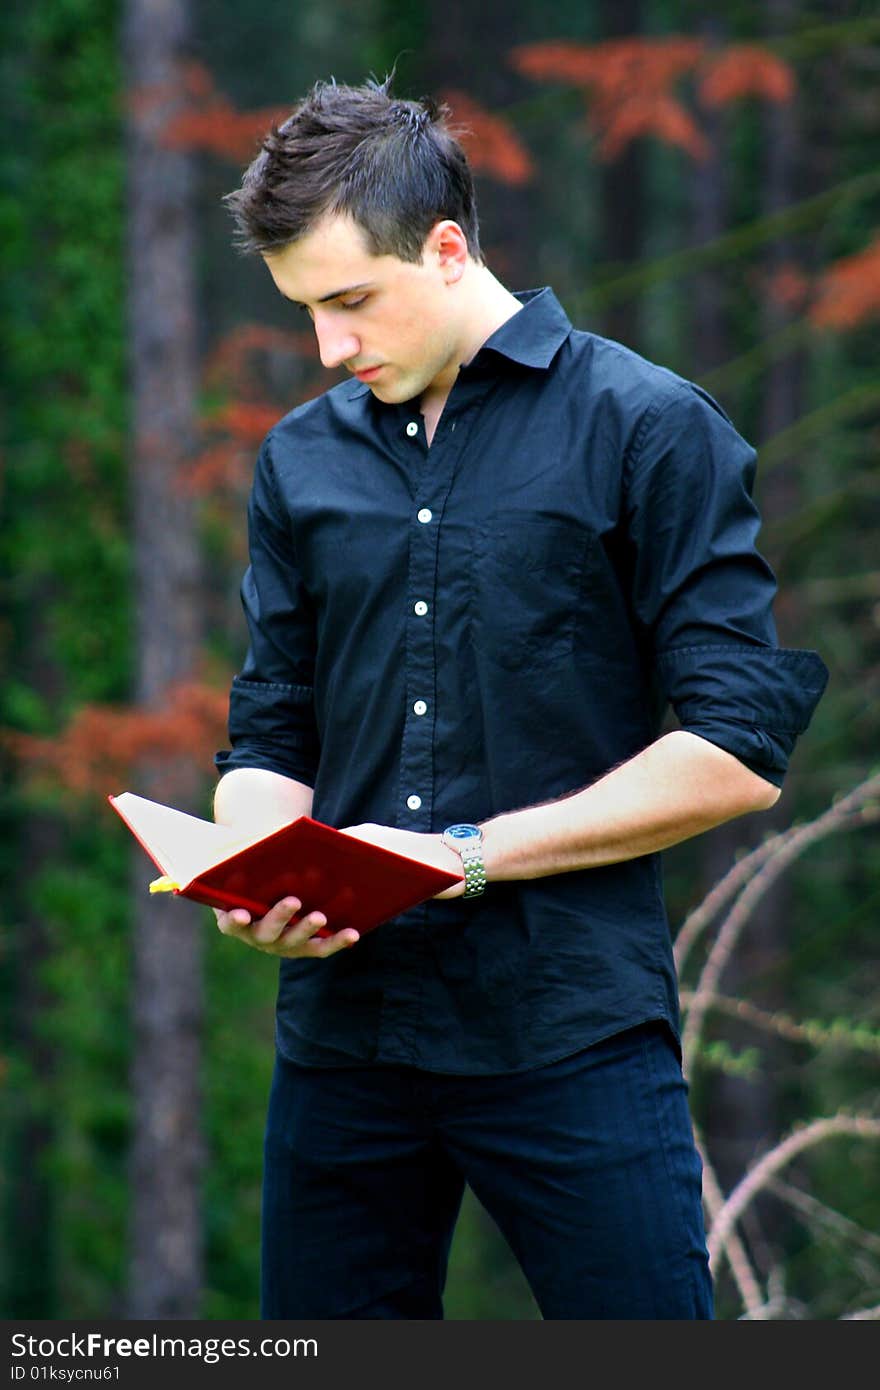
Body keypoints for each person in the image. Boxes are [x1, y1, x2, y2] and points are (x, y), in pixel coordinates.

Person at [212, 75, 828, 1320]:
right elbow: (271, 721)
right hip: (343, 1037)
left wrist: (459, 856)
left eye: (349, 302)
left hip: (568, 1029)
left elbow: (734, 745)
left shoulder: (649, 426)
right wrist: (250, 864)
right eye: (306, 313)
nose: (331, 347)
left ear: (445, 249)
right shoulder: (300, 460)